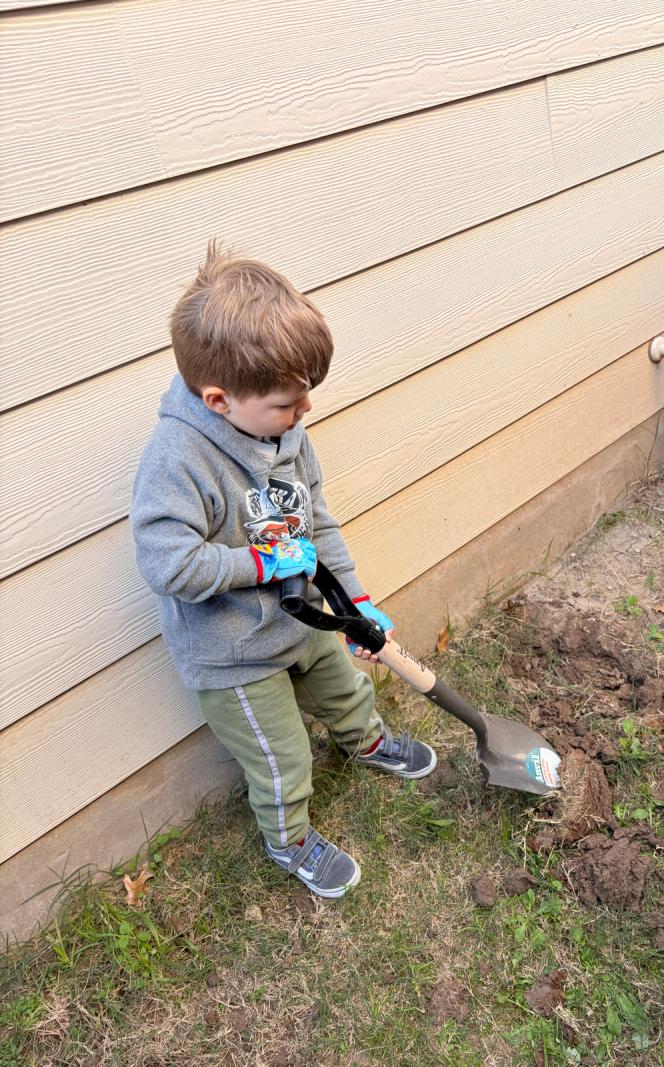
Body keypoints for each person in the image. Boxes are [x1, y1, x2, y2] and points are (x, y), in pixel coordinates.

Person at [130, 242, 437, 898]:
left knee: (346, 690)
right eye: (287, 404)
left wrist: (355, 598)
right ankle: (289, 839)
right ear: (219, 399)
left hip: (300, 621)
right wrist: (261, 562)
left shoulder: (286, 433)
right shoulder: (177, 459)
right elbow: (168, 563)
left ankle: (368, 742)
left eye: (304, 399)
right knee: (283, 756)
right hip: (233, 651)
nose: (304, 416)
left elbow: (316, 522)